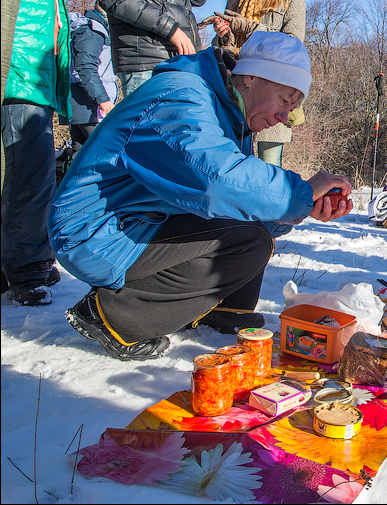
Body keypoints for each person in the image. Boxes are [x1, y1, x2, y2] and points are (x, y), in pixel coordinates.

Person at [49, 32, 352, 361]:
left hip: (135, 221)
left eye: (291, 110)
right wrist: (302, 192)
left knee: (253, 228)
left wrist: (301, 208)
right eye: (283, 101)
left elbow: (237, 198)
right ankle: (114, 316)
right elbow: (217, 181)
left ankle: (223, 310)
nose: (283, 117)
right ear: (251, 76)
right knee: (251, 239)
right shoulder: (182, 96)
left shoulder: (228, 113)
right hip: (93, 232)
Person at [1, 0, 86, 306]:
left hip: (39, 68)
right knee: (28, 175)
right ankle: (25, 267)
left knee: (30, 170)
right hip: (20, 64)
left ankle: (20, 261)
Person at [211, 0, 306, 168]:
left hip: (271, 93)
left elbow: (292, 46)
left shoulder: (291, 0)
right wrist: (225, 35)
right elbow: (225, 51)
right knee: (231, 161)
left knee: (269, 166)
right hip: (236, 89)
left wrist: (250, 27)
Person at [65, 5, 118, 151]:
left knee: (81, 156)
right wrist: (103, 100)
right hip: (90, 107)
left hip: (81, 104)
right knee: (104, 151)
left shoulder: (90, 28)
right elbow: (85, 67)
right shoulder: (93, 30)